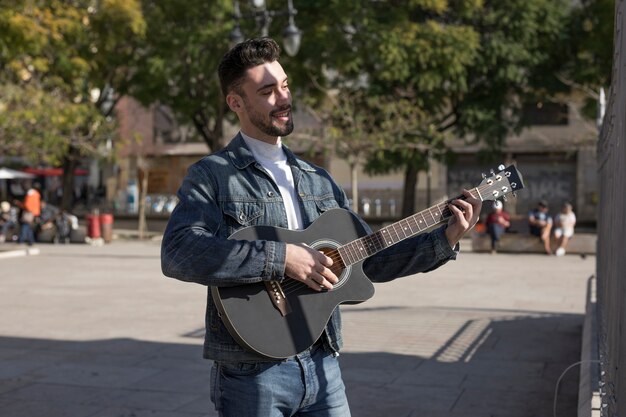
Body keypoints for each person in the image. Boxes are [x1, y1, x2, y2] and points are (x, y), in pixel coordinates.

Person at [160, 37, 482, 417]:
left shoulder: (319, 180)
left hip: (322, 362)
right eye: (267, 91)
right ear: (236, 103)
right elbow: (179, 252)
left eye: (285, 85)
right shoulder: (213, 175)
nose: (283, 98)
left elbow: (371, 259)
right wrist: (280, 258)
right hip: (252, 373)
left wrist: (445, 239)